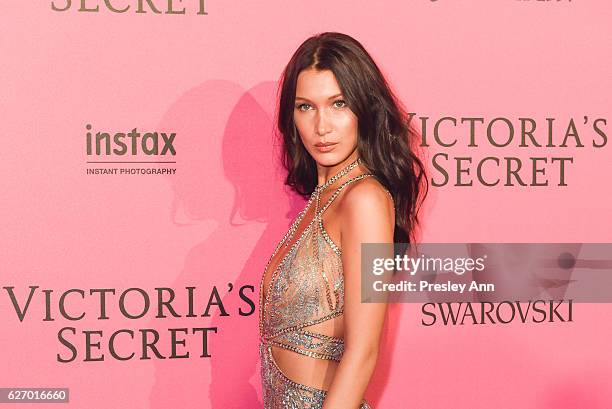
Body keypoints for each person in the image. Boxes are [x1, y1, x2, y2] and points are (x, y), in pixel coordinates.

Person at [259, 32, 427, 408]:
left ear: (365, 109)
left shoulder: (364, 199)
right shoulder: (322, 199)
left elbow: (364, 351)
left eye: (339, 104)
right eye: (306, 107)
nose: (322, 127)